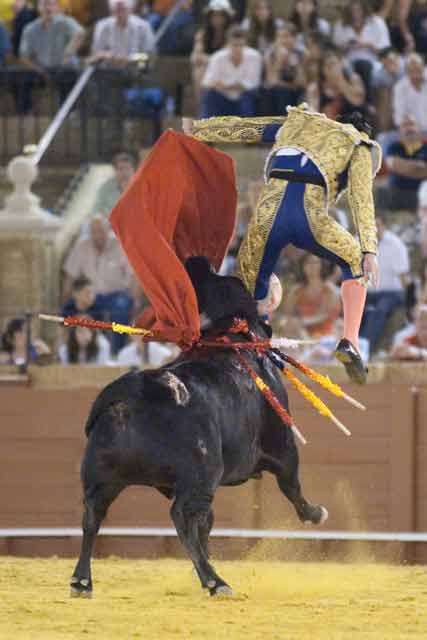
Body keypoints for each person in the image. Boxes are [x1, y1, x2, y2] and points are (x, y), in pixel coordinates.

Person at [184, 104, 382, 384]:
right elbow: (362, 199)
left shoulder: (300, 122)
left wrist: (198, 129)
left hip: (267, 215)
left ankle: (248, 340)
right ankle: (350, 341)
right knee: (353, 262)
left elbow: (247, 127)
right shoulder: (357, 142)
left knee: (250, 288)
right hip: (309, 215)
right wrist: (369, 249)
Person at [62, 215, 134, 352]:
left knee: (120, 308)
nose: (98, 235)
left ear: (108, 230)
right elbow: (70, 275)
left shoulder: (120, 244)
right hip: (90, 295)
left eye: (101, 231)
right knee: (68, 310)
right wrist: (65, 299)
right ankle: (71, 353)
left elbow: (133, 275)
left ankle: (115, 351)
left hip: (116, 295)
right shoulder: (82, 246)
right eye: (94, 231)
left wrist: (134, 299)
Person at [17, 0, 85, 113]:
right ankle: (24, 113)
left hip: (64, 67)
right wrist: (40, 70)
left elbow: (80, 33)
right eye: (44, 4)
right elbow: (23, 56)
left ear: (57, 7)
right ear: (38, 8)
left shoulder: (66, 21)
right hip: (41, 69)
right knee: (20, 77)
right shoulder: (30, 28)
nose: (47, 7)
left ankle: (68, 113)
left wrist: (69, 50)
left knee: (68, 75)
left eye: (51, 4)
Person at [360, 214, 409, 353]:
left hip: (391, 293)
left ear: (384, 226)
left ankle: (364, 351)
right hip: (368, 291)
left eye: (377, 226)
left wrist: (408, 303)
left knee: (378, 310)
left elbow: (403, 279)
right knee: (353, 306)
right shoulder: (358, 242)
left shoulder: (396, 245)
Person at [200, 25, 262, 118]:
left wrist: (226, 86)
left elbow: (253, 83)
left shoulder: (255, 57)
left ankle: (247, 129)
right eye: (234, 45)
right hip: (223, 99)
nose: (237, 49)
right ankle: (206, 128)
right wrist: (234, 86)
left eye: (240, 45)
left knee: (249, 95)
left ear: (246, 44)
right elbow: (207, 82)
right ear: (228, 44)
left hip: (244, 99)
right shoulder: (217, 57)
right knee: (210, 95)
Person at [376, 114, 427, 212]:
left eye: (411, 124)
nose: (409, 128)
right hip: (396, 193)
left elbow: (401, 166)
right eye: (405, 125)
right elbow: (394, 164)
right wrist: (419, 168)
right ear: (399, 131)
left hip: (420, 194)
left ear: (419, 129)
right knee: (380, 193)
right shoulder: (394, 147)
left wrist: (405, 166)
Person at [283, 254, 341, 339]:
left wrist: (301, 322)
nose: (311, 266)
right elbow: (287, 314)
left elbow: (325, 315)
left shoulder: (329, 290)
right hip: (301, 334)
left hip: (325, 336)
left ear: (321, 265)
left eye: (315, 262)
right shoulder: (297, 290)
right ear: (302, 266)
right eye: (308, 263)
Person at [190, 0, 234, 104]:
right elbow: (196, 57)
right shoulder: (202, 33)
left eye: (221, 15)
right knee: (199, 70)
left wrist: (207, 59)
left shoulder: (232, 33)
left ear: (227, 17)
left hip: (227, 69)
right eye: (214, 15)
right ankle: (202, 110)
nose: (217, 19)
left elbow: (226, 57)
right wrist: (208, 59)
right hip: (208, 69)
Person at [306, 46, 366, 119]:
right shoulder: (315, 87)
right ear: (323, 70)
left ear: (341, 64)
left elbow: (357, 102)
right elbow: (312, 111)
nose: (332, 68)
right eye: (328, 66)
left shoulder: (354, 79)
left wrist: (340, 80)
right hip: (327, 125)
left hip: (353, 125)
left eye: (334, 64)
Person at [260, 23, 305, 115]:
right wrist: (279, 62)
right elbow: (271, 82)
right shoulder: (270, 54)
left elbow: (301, 83)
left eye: (286, 36)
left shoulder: (302, 54)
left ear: (294, 38)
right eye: (279, 37)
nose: (282, 40)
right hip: (277, 92)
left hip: (295, 93)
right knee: (269, 93)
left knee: (284, 93)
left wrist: (296, 64)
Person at [393, 53, 427, 132]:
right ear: (406, 72)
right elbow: (398, 118)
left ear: (423, 68)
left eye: (418, 70)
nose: (415, 75)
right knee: (383, 138)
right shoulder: (400, 88)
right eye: (411, 71)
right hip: (410, 131)